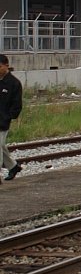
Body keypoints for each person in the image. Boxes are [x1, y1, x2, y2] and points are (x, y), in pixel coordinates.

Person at [0, 54, 24, 183]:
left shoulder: (14, 83)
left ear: (7, 66)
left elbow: (16, 104)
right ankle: (13, 166)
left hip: (2, 120)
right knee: (1, 146)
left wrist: (8, 116)